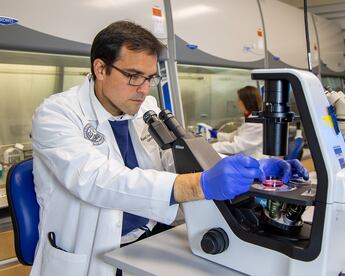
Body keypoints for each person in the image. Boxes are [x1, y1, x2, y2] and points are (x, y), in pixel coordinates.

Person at [30, 21, 308, 276]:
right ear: (100, 69)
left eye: (150, 78)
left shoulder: (146, 107)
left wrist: (253, 169)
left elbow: (179, 156)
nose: (144, 89)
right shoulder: (56, 114)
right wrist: (200, 185)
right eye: (133, 76)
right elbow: (98, 181)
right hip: (90, 253)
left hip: (151, 240)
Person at [212, 85, 265, 159]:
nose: (237, 103)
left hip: (255, 161)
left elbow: (236, 145)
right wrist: (217, 135)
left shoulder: (256, 123)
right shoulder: (250, 118)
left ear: (246, 101)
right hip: (247, 160)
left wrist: (211, 147)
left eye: (239, 100)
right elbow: (235, 136)